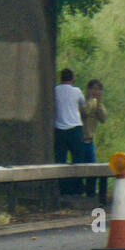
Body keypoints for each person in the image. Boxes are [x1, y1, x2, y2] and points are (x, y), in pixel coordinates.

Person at [53, 68, 86, 196]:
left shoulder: (55, 90)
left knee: (60, 160)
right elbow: (82, 105)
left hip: (59, 130)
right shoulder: (76, 91)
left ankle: (63, 189)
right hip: (75, 129)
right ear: (72, 79)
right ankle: (77, 189)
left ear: (61, 78)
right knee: (78, 160)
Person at [81, 80, 107, 198]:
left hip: (89, 139)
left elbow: (103, 118)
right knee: (79, 168)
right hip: (79, 139)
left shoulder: (97, 105)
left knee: (92, 168)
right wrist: (92, 101)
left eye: (99, 89)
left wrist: (98, 103)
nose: (96, 92)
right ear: (88, 89)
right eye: (93, 89)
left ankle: (91, 193)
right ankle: (79, 191)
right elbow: (84, 111)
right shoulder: (83, 101)